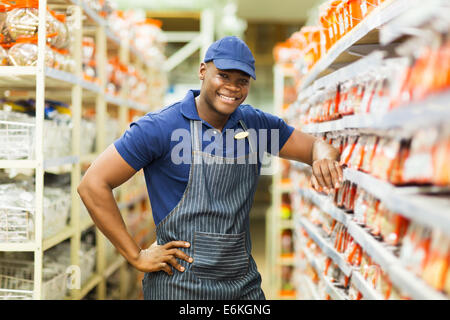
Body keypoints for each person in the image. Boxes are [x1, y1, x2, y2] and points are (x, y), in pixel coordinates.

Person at [78, 36, 342, 300]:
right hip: (178, 285)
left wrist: (324, 157)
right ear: (203, 71)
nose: (233, 88)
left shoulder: (255, 126)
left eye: (242, 81)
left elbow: (315, 147)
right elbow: (92, 184)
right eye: (224, 76)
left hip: (241, 285)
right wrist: (135, 255)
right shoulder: (160, 127)